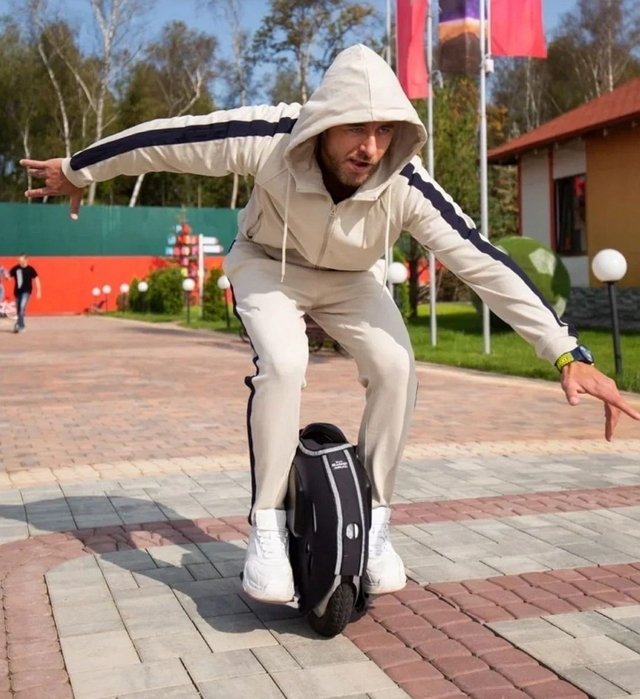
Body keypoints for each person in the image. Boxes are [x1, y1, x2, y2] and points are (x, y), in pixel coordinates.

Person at [20, 44, 640, 604]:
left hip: (350, 279)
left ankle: (375, 523)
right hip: (268, 263)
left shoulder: (405, 182)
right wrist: (79, 169)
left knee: (397, 367)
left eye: (383, 130)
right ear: (323, 122)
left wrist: (566, 352)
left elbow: (482, 260)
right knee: (284, 364)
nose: (369, 147)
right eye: (354, 128)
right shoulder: (270, 138)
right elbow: (168, 140)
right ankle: (267, 527)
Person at [8, 254, 41, 333]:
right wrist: (7, 277)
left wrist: (39, 291)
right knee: (19, 310)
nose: (19, 261)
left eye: (21, 260)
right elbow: (9, 277)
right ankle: (21, 325)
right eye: (19, 260)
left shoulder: (30, 269)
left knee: (22, 307)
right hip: (17, 292)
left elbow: (36, 280)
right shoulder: (16, 268)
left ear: (26, 260)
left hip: (26, 292)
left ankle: (19, 326)